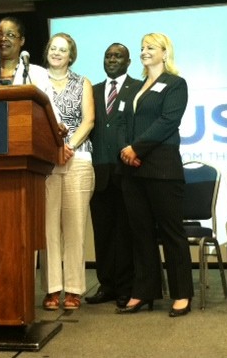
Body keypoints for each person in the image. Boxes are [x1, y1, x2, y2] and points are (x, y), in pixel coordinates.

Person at [115, 32, 193, 317]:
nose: (144, 52)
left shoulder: (175, 84)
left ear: (164, 52)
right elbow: (122, 120)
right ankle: (143, 291)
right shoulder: (134, 87)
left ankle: (182, 293)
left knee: (172, 233)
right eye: (142, 48)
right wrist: (127, 148)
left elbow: (168, 121)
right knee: (140, 234)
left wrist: (137, 147)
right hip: (132, 171)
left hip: (162, 168)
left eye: (151, 47)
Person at [40, 33, 95, 311]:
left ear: (71, 55)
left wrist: (68, 146)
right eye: (53, 48)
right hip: (44, 162)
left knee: (74, 228)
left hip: (78, 158)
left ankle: (73, 289)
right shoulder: (35, 81)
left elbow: (89, 120)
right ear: (46, 51)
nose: (57, 53)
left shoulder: (82, 82)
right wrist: (53, 150)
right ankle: (52, 289)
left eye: (63, 49)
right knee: (48, 228)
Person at [86, 44, 141, 309]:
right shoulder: (93, 91)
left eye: (117, 56)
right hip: (98, 171)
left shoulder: (139, 88)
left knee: (126, 232)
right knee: (103, 232)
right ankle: (106, 284)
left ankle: (126, 286)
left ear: (128, 62)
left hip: (128, 170)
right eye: (107, 55)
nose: (111, 60)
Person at [0, 16, 49, 90]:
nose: (3, 38)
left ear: (22, 41)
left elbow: (47, 101)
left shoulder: (38, 73)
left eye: (10, 35)